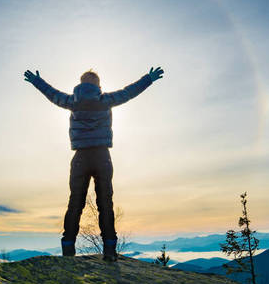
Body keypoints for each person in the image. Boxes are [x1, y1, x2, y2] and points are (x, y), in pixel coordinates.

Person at [24, 66, 164, 261]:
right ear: (98, 85)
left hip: (80, 158)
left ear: (80, 84)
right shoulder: (105, 100)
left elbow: (52, 94)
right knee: (105, 203)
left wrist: (37, 82)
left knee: (75, 203)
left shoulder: (72, 101)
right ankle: (109, 250)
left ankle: (68, 249)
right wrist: (148, 79)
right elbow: (129, 92)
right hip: (102, 156)